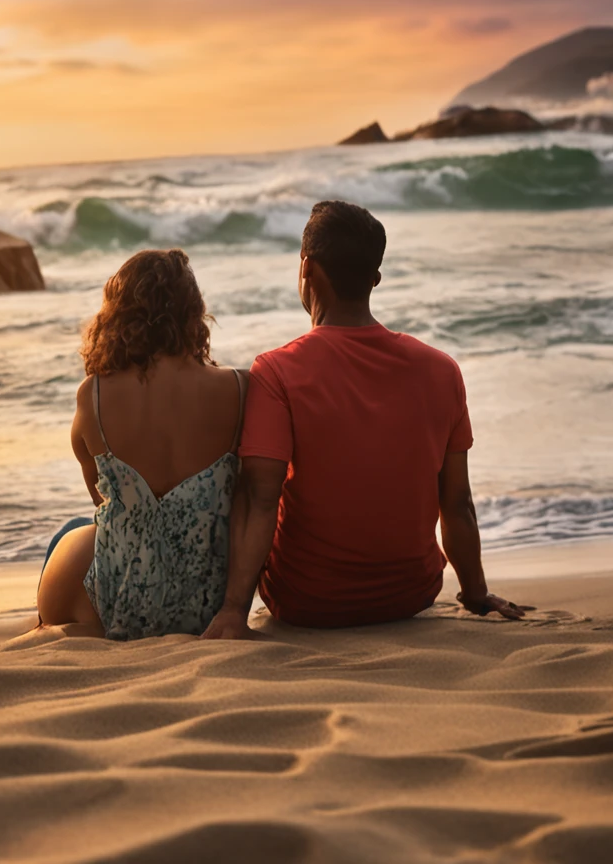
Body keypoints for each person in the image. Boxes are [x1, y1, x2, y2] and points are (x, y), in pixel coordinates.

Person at [202, 200, 531, 639]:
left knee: (244, 482)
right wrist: (475, 593)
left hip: (306, 600)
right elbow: (456, 504)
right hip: (411, 595)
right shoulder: (441, 370)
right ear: (374, 279)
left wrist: (232, 611)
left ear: (306, 269)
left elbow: (261, 500)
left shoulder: (277, 372)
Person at [37, 248, 246, 640]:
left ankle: (46, 626)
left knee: (72, 530)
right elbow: (250, 498)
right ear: (194, 313)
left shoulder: (93, 396)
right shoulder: (239, 388)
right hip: (210, 607)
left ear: (117, 316)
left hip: (122, 605)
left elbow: (104, 505)